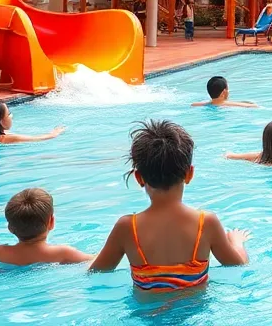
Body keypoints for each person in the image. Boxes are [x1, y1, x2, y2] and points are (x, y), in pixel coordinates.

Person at [90, 120, 250, 288]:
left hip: (144, 314)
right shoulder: (206, 223)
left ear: (139, 178)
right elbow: (237, 264)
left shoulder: (127, 227)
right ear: (189, 174)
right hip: (194, 312)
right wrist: (237, 242)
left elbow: (96, 271)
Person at [0, 100, 64, 144]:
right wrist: (54, 134)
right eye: (8, 114)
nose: (11, 116)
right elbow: (36, 138)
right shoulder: (10, 139)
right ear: (0, 121)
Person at [191, 76, 257, 108]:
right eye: (227, 89)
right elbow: (254, 106)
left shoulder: (197, 105)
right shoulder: (234, 105)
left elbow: (193, 104)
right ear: (224, 92)